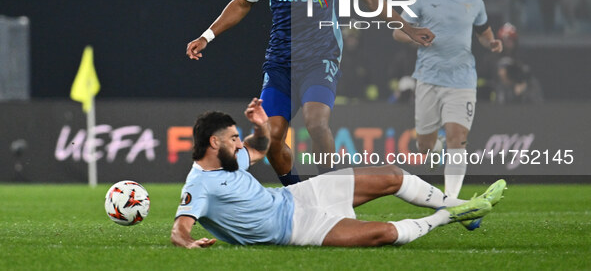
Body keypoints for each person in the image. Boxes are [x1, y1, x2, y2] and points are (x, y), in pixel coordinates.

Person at [186, 0, 434, 185]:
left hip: (321, 59)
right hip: (280, 63)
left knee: (317, 123)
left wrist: (408, 27)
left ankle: (332, 196)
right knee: (273, 136)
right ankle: (299, 195)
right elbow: (243, 3)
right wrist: (207, 35)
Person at [170, 98, 506, 248]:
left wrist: (260, 127)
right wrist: (189, 245)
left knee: (391, 175)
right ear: (214, 143)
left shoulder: (231, 159)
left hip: (299, 196)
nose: (238, 145)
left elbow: (258, 148)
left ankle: (462, 208)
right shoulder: (199, 186)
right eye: (232, 139)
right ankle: (450, 215)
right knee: (385, 234)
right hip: (297, 228)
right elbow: (179, 229)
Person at [393, 0, 503, 217]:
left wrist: (491, 42)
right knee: (424, 147)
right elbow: (398, 32)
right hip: (428, 78)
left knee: (458, 138)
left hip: (463, 80)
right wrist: (415, 36)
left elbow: (483, 31)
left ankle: (450, 203)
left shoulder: (474, 2)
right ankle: (436, 147)